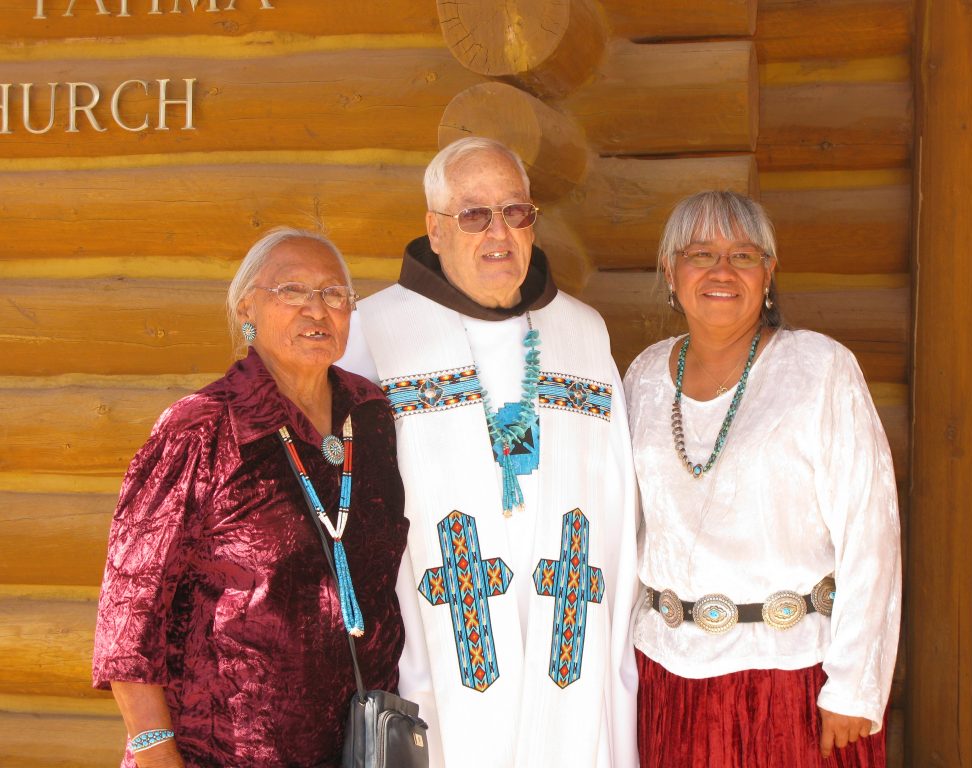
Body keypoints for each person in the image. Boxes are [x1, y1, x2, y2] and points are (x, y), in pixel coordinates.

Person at [339, 136, 639, 767]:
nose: (498, 232)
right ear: (435, 229)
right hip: (435, 652)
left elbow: (617, 503)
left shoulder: (582, 334)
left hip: (569, 651)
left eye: (515, 212)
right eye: (473, 214)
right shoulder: (374, 335)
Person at [92, 228, 408, 767]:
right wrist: (154, 754)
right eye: (292, 291)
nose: (318, 310)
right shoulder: (201, 429)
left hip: (363, 744)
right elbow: (127, 622)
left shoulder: (371, 413)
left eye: (335, 294)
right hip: (225, 752)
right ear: (247, 309)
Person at [626, 191, 901, 767]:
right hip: (666, 676)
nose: (722, 270)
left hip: (793, 681)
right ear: (670, 272)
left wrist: (853, 684)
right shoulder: (645, 376)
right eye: (700, 253)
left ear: (769, 272)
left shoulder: (820, 368)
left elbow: (871, 536)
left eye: (744, 255)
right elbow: (628, 528)